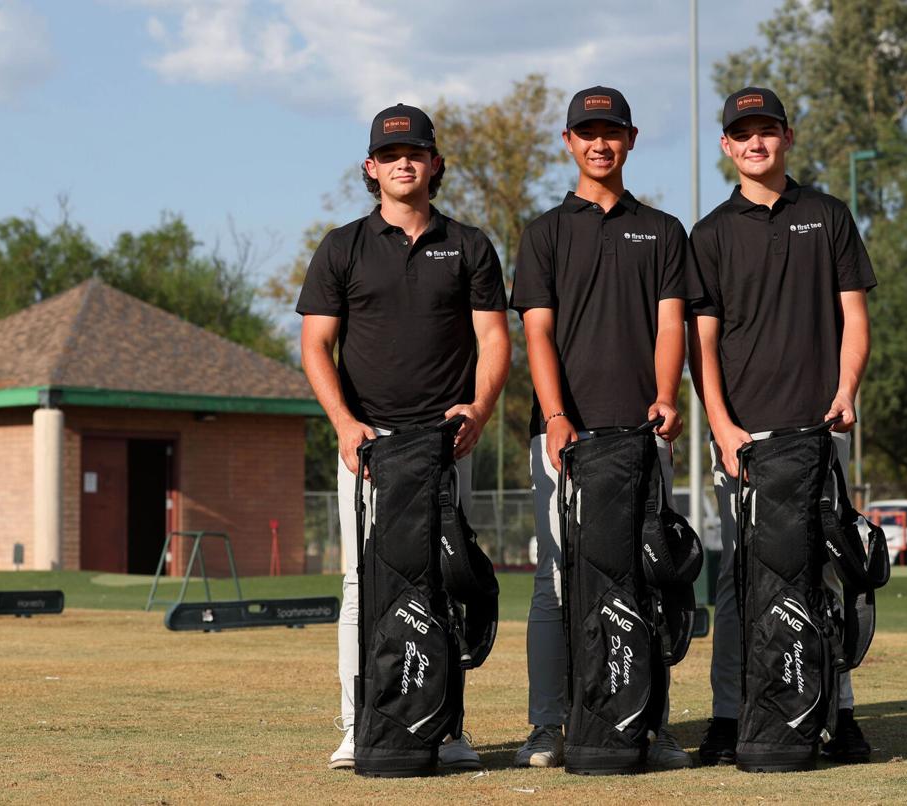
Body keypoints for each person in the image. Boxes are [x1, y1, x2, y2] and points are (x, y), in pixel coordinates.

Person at [297, 103, 510, 772]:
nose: (402, 162)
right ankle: (361, 725)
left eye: (414, 152)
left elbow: (494, 339)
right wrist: (342, 423)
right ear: (371, 167)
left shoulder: (469, 245)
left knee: (444, 581)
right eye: (390, 154)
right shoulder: (341, 247)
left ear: (435, 163)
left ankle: (447, 728)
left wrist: (478, 409)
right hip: (368, 448)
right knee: (362, 583)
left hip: (443, 445)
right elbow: (314, 345)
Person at [688, 86, 876, 765]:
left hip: (817, 432)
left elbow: (854, 316)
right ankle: (730, 715)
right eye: (744, 134)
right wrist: (721, 425)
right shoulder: (708, 234)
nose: (757, 143)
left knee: (827, 574)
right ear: (727, 147)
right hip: (743, 440)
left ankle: (839, 713)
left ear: (787, 138)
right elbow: (701, 344)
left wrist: (846, 388)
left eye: (768, 131)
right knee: (740, 578)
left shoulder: (826, 215)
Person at [510, 86, 694, 771]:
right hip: (567, 438)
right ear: (568, 143)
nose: (600, 143)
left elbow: (671, 322)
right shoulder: (544, 232)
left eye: (611, 132)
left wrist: (667, 397)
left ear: (632, 139)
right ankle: (548, 725)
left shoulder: (664, 231)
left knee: (649, 576)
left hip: (642, 434)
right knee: (557, 578)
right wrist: (557, 417)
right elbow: (537, 332)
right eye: (587, 133)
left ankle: (653, 725)